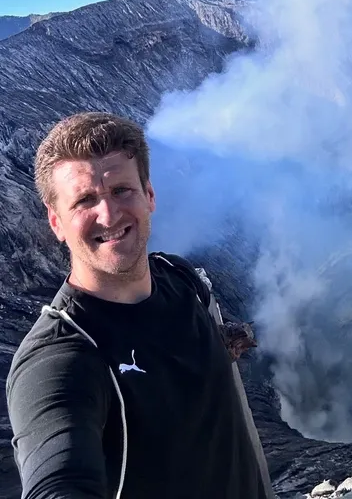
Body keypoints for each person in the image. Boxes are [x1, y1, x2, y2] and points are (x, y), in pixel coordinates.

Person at [6, 111, 273, 499]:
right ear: (56, 222)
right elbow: (56, 479)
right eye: (84, 200)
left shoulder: (182, 279)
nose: (109, 214)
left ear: (149, 195)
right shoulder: (61, 359)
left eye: (121, 190)